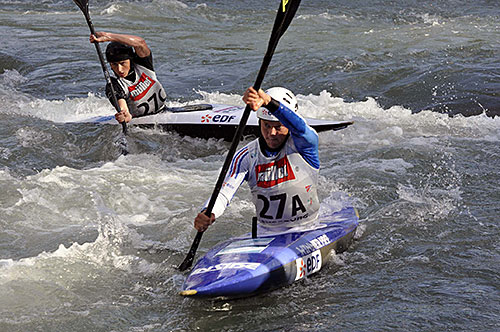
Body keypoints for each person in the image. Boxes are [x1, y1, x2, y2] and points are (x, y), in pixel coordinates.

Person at [194, 86, 320, 233]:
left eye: (278, 126)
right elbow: (223, 194)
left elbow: (300, 128)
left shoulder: (304, 145)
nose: (272, 133)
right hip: (266, 233)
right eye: (266, 125)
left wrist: (268, 101)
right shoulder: (246, 156)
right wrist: (208, 212)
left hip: (308, 228)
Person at [90, 31, 167, 123]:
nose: (119, 69)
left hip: (165, 111)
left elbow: (140, 43)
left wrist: (109, 37)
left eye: (123, 63)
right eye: (114, 64)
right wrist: (125, 115)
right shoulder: (114, 85)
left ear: (130, 60)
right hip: (144, 123)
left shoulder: (143, 65)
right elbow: (123, 108)